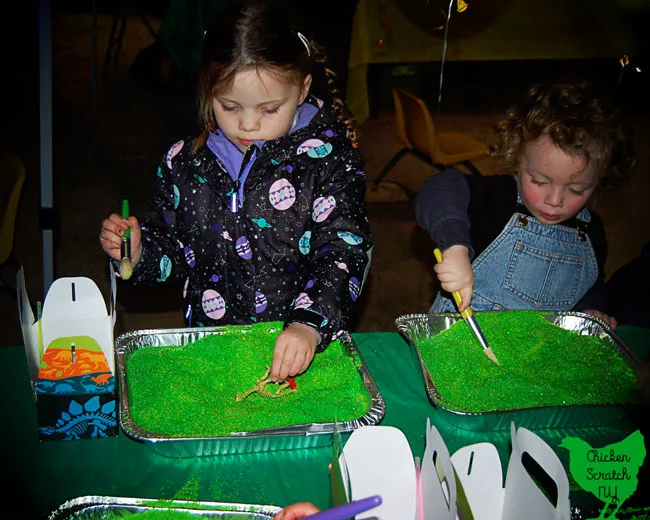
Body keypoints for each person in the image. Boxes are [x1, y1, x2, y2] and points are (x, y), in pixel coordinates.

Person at [100, 0, 373, 382]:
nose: (247, 123)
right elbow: (173, 252)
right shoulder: (185, 163)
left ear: (303, 88)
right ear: (207, 89)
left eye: (269, 109)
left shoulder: (329, 161)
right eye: (228, 106)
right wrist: (139, 250)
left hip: (304, 350)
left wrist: (309, 325)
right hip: (214, 350)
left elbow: (345, 250)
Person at [415, 81, 636, 328]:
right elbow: (438, 188)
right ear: (518, 156)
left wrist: (593, 309)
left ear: (600, 179)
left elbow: (591, 287)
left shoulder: (592, 233)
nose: (554, 202)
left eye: (577, 189)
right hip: (462, 339)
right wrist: (455, 247)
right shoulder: (499, 198)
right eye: (539, 181)